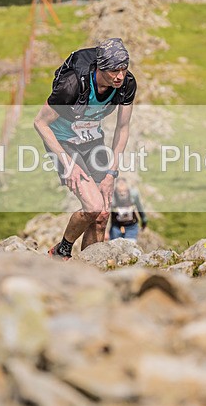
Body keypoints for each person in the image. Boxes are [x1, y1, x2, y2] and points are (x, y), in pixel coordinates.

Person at [34, 37, 136, 259]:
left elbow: (123, 127)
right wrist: (68, 164)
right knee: (92, 205)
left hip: (92, 141)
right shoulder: (71, 85)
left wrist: (112, 173)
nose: (120, 76)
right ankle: (62, 250)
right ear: (100, 67)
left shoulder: (126, 84)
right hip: (63, 141)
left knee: (101, 215)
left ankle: (91, 269)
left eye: (124, 69)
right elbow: (40, 123)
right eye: (113, 71)